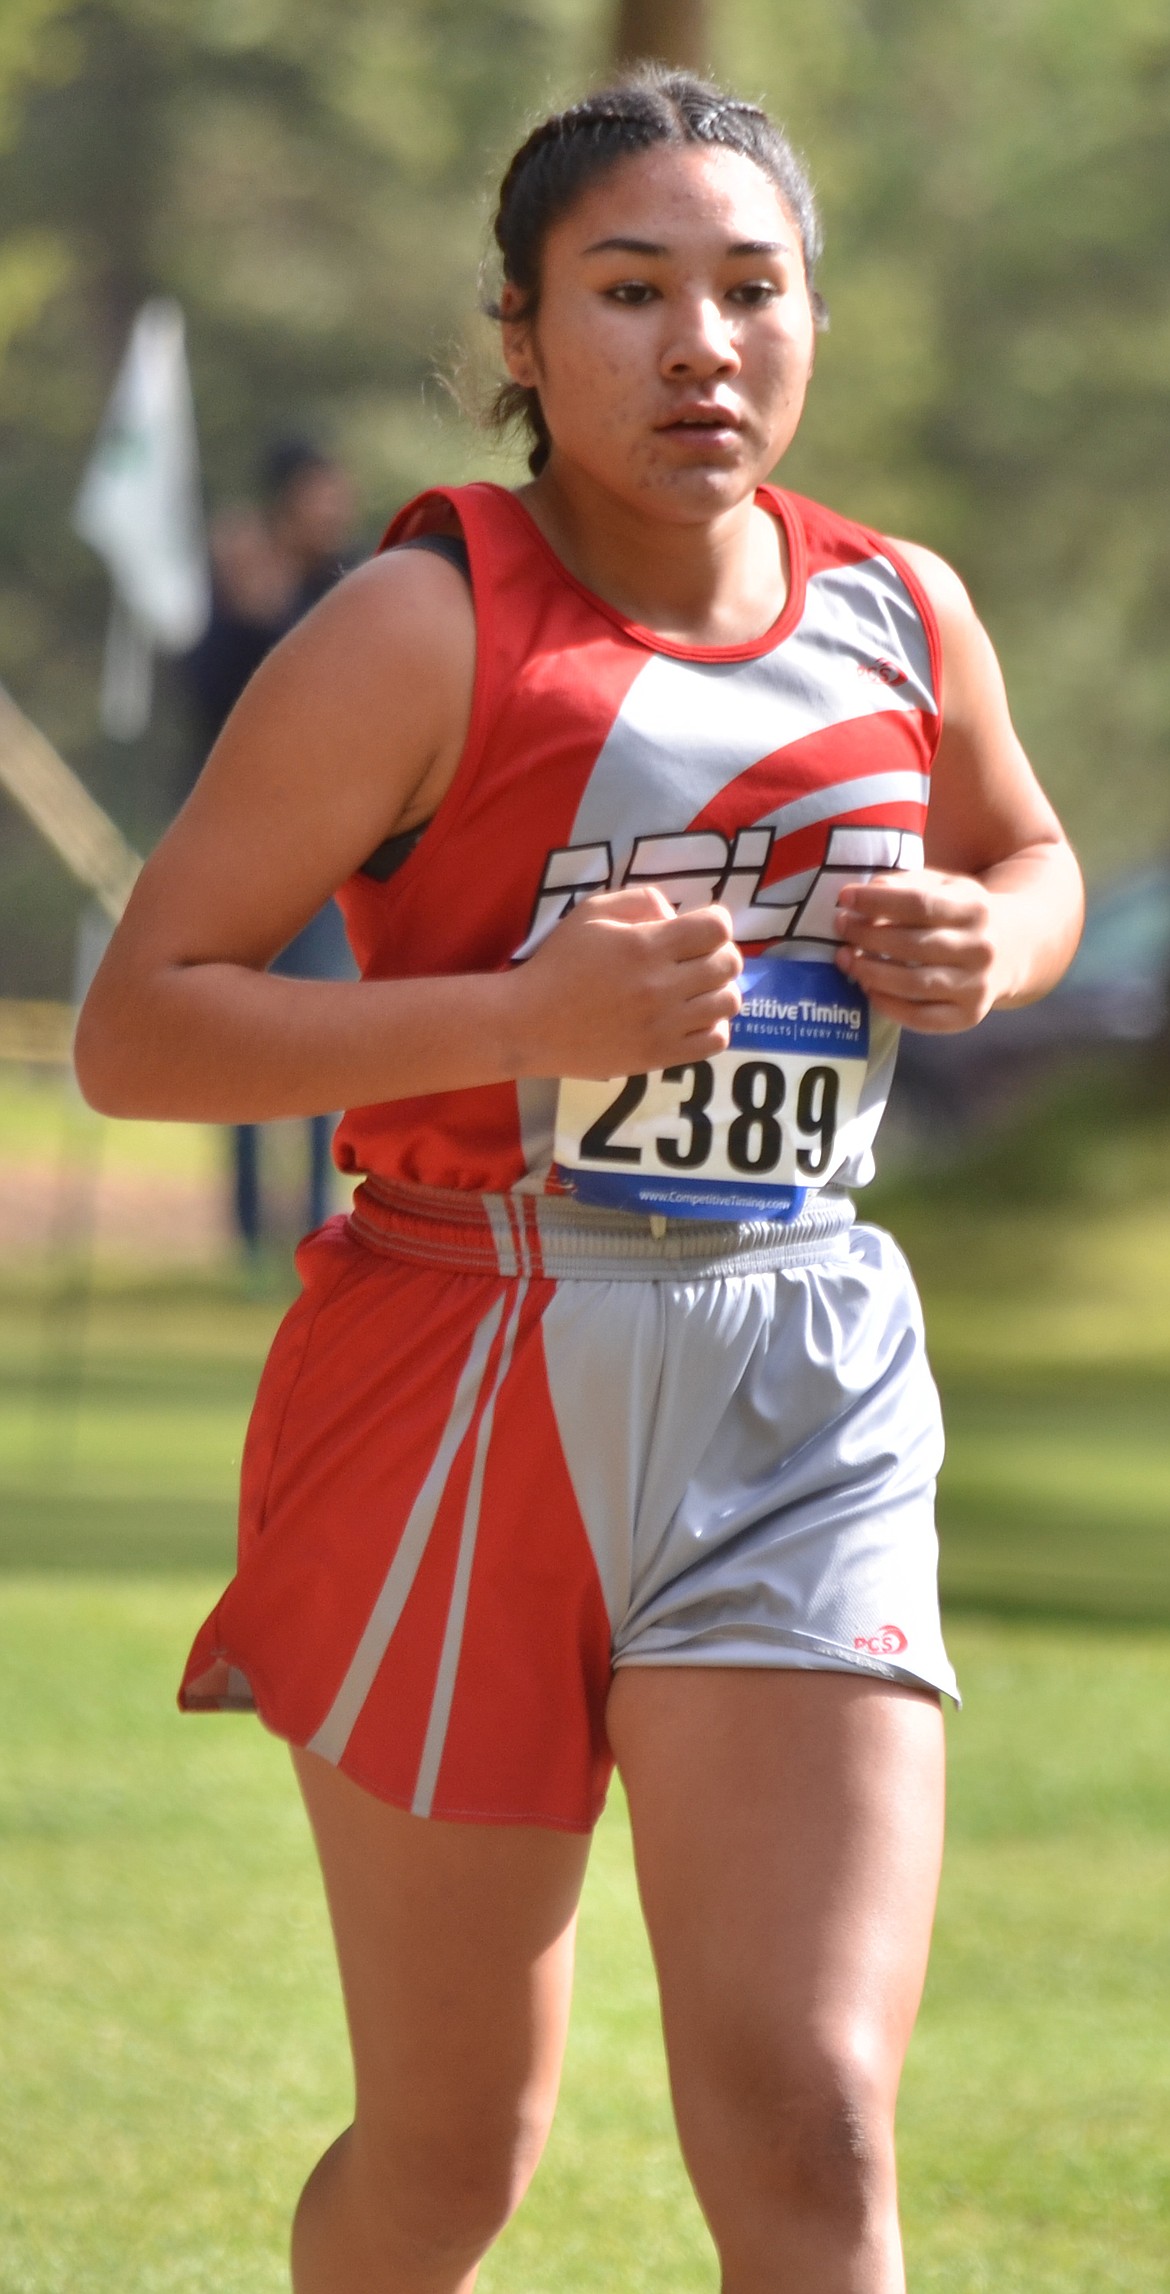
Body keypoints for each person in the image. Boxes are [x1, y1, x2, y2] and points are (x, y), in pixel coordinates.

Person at [75, 69, 1083, 2294]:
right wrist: (526, 1017)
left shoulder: (905, 613)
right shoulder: (422, 625)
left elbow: (1035, 851)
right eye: (630, 292)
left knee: (817, 2129)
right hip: (456, 1375)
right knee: (453, 2158)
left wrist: (995, 939)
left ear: (811, 316)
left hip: (796, 1376)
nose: (700, 343)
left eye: (751, 288)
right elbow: (140, 1029)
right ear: (521, 335)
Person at [183, 438, 358, 1252]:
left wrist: (277, 611)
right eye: (318, 491)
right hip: (234, 849)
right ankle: (250, 1228)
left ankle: (318, 1213)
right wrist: (247, 610)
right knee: (234, 1026)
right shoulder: (232, 583)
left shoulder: (357, 582)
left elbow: (337, 691)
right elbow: (207, 693)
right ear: (286, 500)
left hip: (328, 847)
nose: (333, 506)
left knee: (322, 1021)